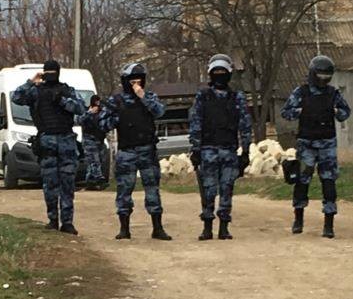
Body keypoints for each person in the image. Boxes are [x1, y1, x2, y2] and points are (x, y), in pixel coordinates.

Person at [280, 55, 351, 239]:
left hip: (327, 143)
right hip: (306, 144)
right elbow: (285, 112)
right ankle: (298, 219)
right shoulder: (301, 92)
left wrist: (336, 112)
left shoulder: (333, 94)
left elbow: (346, 112)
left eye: (327, 75)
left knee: (329, 183)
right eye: (320, 74)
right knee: (302, 182)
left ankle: (329, 224)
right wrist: (301, 111)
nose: (323, 78)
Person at [11, 59, 85, 234]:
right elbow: (16, 98)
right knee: (50, 183)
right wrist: (31, 81)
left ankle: (67, 222)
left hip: (66, 139)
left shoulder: (67, 91)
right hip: (47, 141)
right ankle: (53, 219)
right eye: (48, 73)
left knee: (67, 183)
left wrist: (62, 101)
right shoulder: (35, 92)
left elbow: (81, 108)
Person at [100, 62, 171, 241]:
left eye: (139, 80)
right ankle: (124, 229)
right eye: (132, 81)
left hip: (147, 150)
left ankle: (157, 228)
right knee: (124, 190)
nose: (136, 84)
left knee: (152, 190)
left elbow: (159, 112)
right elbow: (102, 124)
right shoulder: (116, 101)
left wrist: (143, 96)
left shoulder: (149, 97)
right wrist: (117, 118)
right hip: (127, 152)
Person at [188, 53, 252, 241]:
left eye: (222, 72)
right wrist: (195, 149)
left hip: (229, 150)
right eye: (216, 72)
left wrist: (246, 151)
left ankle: (224, 227)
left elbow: (245, 125)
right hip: (207, 150)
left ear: (229, 74)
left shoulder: (237, 97)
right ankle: (207, 226)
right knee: (208, 189)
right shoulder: (203, 96)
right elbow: (196, 122)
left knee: (227, 188)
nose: (219, 76)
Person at [78, 95, 108, 191]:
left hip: (99, 140)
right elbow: (79, 120)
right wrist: (89, 113)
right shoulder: (86, 111)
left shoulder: (102, 112)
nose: (98, 104)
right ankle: (98, 179)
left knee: (97, 161)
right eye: (96, 101)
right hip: (89, 140)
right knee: (94, 161)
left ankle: (90, 182)